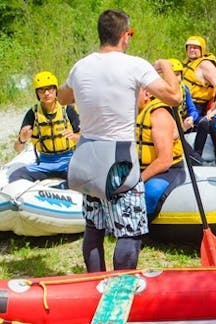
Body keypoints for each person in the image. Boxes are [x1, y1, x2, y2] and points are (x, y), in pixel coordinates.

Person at [57, 9, 181, 272]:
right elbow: (174, 97)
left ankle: (94, 284)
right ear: (125, 35)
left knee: (94, 227)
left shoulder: (80, 66)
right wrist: (167, 68)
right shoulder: (134, 65)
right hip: (119, 160)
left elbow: (62, 98)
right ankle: (121, 288)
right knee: (129, 231)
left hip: (87, 156)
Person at [9, 71, 80, 185]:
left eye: (50, 89)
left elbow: (83, 139)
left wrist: (74, 136)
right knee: (15, 176)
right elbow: (17, 149)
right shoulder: (32, 113)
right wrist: (21, 140)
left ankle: (60, 189)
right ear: (37, 94)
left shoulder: (68, 110)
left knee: (84, 178)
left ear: (55, 90)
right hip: (44, 162)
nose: (46, 93)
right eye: (41, 90)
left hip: (67, 161)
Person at [135, 89, 186, 223]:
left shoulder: (159, 115)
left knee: (151, 192)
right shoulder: (131, 112)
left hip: (168, 170)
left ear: (147, 94)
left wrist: (138, 181)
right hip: (137, 167)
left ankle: (138, 232)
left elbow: (165, 161)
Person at [182, 36, 216, 117]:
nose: (191, 50)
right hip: (182, 104)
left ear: (202, 49)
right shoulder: (187, 63)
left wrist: (214, 107)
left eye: (195, 48)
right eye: (189, 47)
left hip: (197, 107)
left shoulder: (206, 64)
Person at [168, 58, 199, 132]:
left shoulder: (185, 89)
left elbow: (193, 110)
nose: (175, 78)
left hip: (182, 124)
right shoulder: (159, 91)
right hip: (168, 126)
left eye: (177, 75)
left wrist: (191, 118)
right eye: (172, 75)